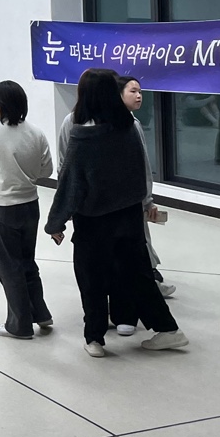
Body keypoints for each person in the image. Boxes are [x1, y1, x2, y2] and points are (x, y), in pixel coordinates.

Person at [46, 69, 187, 357]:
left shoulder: (82, 134)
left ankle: (94, 338)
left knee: (92, 278)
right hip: (128, 217)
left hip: (93, 221)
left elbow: (71, 183)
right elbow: (141, 171)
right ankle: (168, 330)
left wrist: (56, 222)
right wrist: (145, 203)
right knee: (138, 275)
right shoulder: (129, 128)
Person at [0, 81, 54, 339]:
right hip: (31, 204)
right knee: (27, 261)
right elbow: (47, 169)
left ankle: (19, 325)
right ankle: (40, 312)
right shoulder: (36, 133)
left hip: (4, 206)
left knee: (9, 266)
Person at [116, 75, 175, 301]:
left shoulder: (131, 122)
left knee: (140, 243)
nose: (139, 96)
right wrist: (147, 200)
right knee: (137, 245)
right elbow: (140, 166)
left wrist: (147, 199)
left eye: (140, 91)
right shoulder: (124, 125)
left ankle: (151, 280)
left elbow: (143, 165)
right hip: (125, 200)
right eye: (133, 91)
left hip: (131, 198)